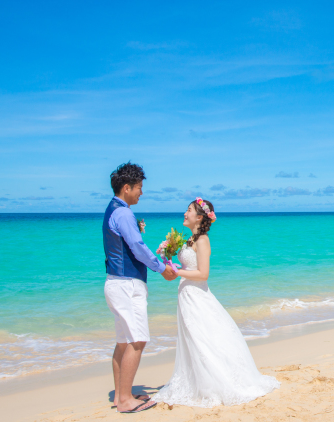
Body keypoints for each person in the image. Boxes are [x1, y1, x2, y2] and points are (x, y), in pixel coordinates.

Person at [152, 198, 280, 407]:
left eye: (189, 210)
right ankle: (196, 382)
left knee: (202, 339)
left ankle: (213, 383)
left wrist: (177, 272)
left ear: (199, 217)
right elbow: (188, 267)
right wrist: (171, 262)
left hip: (197, 296)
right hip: (186, 295)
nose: (185, 213)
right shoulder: (188, 240)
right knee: (192, 339)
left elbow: (203, 274)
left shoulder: (202, 240)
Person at [103, 162, 178, 414]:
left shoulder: (112, 210)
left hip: (115, 283)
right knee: (138, 339)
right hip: (127, 284)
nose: (141, 193)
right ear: (127, 188)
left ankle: (120, 395)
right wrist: (161, 268)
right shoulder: (124, 214)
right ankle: (125, 400)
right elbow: (137, 246)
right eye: (139, 188)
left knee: (124, 341)